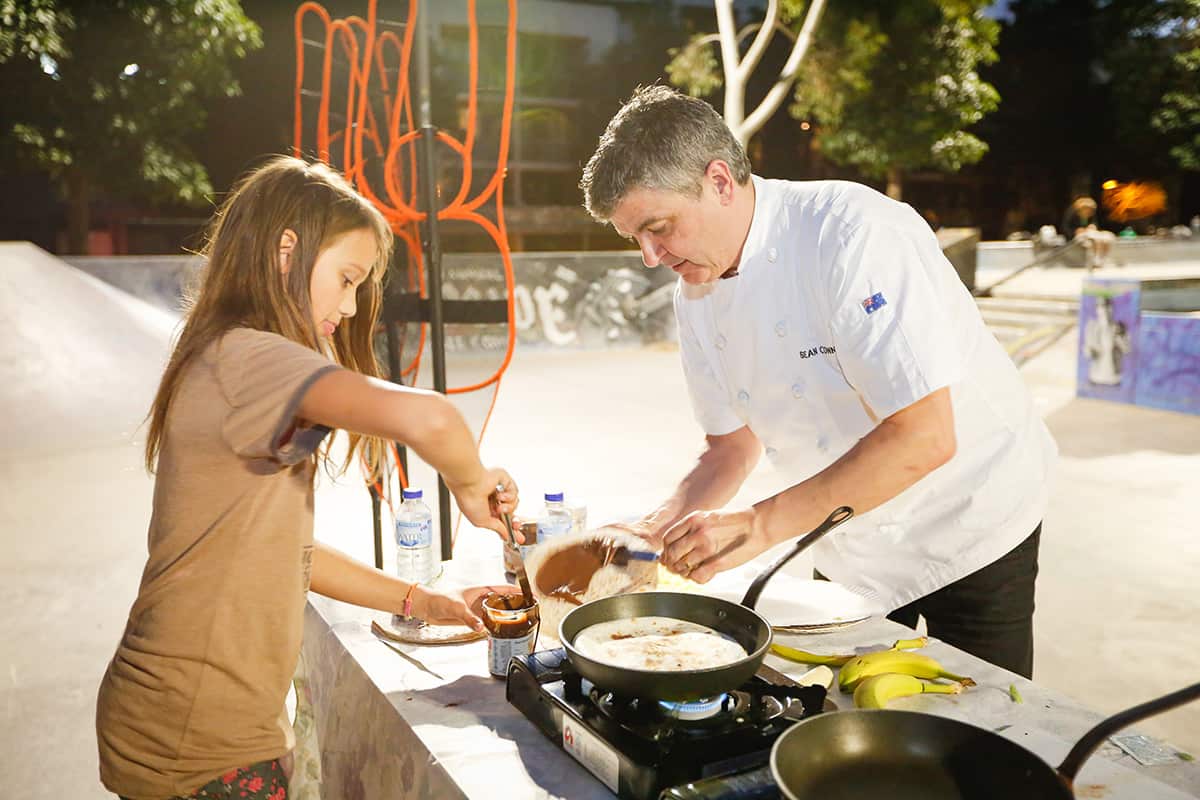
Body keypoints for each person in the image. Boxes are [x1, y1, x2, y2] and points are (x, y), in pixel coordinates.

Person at [580, 86, 1057, 678]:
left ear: (720, 181)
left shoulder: (854, 233)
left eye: (659, 228)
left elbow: (924, 436)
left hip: (970, 517)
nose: (651, 256)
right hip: (845, 535)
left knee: (985, 723)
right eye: (637, 240)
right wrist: (652, 528)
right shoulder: (695, 295)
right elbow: (730, 446)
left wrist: (760, 525)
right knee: (847, 713)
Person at [96, 156, 522, 800]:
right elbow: (432, 419)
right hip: (197, 737)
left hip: (181, 719)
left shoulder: (230, 357)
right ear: (287, 251)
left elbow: (282, 550)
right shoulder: (249, 357)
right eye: (347, 279)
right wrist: (471, 484)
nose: (351, 308)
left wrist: (423, 603)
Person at [1062, 196, 1115, 269]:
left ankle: (1103, 258)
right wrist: (1076, 231)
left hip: (1089, 233)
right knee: (1095, 240)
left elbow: (1094, 224)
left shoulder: (1091, 215)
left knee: (1106, 238)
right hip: (1077, 236)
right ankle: (1096, 259)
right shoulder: (1072, 215)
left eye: (1090, 210)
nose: (1088, 212)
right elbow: (1066, 228)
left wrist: (1092, 226)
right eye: (1086, 209)